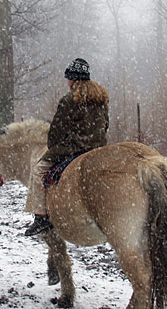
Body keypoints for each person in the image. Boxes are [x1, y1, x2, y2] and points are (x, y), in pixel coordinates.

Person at [24, 58, 109, 236]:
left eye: (68, 78)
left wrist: (54, 147)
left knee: (39, 170)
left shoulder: (69, 99)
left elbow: (56, 132)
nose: (67, 82)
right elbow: (105, 125)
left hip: (73, 148)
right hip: (98, 148)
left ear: (73, 79)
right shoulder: (101, 98)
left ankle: (41, 217)